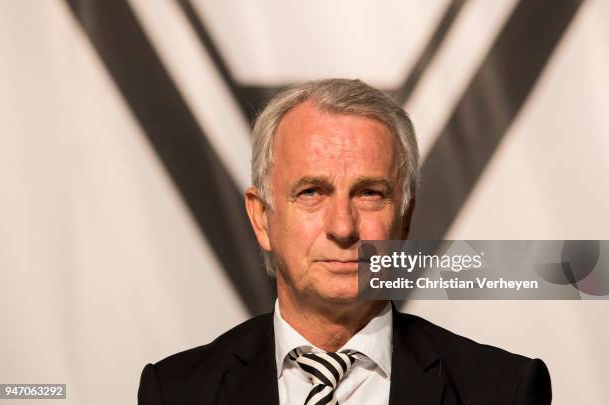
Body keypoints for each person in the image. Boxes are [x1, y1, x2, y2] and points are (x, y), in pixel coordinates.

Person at [137, 79, 551, 405]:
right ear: (261, 218)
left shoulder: (506, 390)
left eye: (369, 193)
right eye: (311, 192)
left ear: (404, 220)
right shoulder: (175, 392)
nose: (342, 226)